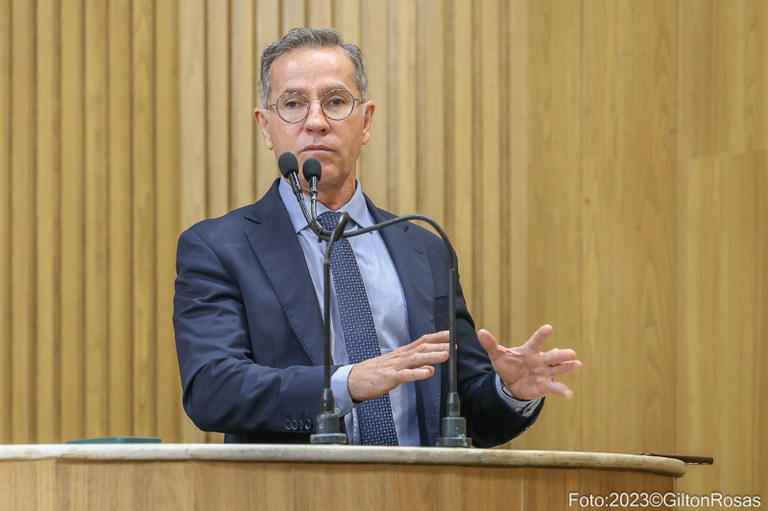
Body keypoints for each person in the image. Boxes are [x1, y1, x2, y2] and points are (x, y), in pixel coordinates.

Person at [173, 27, 582, 447]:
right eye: (293, 104)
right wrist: (346, 383)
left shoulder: (426, 249)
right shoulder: (219, 248)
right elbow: (212, 389)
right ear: (266, 126)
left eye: (335, 102)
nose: (316, 122)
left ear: (365, 121)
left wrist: (508, 391)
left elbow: (465, 416)